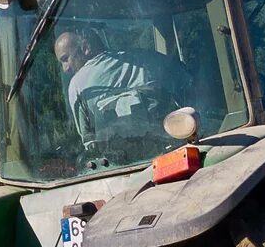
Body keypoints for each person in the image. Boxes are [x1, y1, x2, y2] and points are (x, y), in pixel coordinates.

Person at [51, 22, 183, 155]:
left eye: (66, 59)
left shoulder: (77, 85)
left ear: (85, 47)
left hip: (118, 166)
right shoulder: (148, 60)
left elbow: (89, 141)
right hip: (174, 151)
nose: (65, 68)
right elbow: (187, 87)